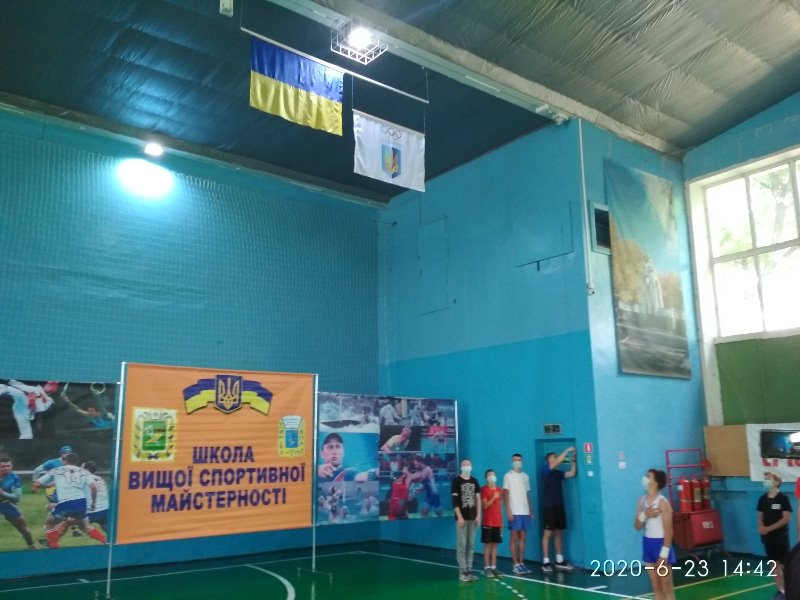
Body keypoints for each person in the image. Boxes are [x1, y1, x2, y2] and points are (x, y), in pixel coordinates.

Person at [32, 452, 106, 548]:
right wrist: (93, 503)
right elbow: (93, 487)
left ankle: (54, 547)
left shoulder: (56, 470)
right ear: (77, 462)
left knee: (50, 523)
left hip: (66, 503)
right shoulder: (84, 472)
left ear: (64, 461)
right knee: (84, 526)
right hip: (81, 503)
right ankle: (105, 541)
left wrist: (47, 486)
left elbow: (37, 484)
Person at [635, 468, 676, 600]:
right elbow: (637, 526)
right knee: (655, 586)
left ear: (655, 483)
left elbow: (669, 531)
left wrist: (663, 555)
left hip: (661, 544)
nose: (645, 478)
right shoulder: (641, 501)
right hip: (648, 544)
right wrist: (645, 514)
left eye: (648, 476)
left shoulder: (663, 503)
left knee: (666, 587)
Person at [541, 447, 577, 572]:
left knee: (558, 533)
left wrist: (573, 461)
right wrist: (567, 451)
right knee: (547, 533)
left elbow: (572, 473)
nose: (556, 458)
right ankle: (546, 562)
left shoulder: (558, 473)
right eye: (554, 457)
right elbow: (556, 463)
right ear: (549, 460)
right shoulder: (545, 470)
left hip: (559, 506)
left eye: (556, 457)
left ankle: (559, 560)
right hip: (549, 506)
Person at [757, 471, 792, 600]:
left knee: (784, 565)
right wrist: (761, 527)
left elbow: (786, 518)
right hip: (768, 538)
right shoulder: (762, 499)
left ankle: (790, 588)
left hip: (780, 537)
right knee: (773, 564)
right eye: (765, 478)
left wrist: (769, 528)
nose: (766, 481)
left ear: (777, 482)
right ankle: (780, 589)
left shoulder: (783, 499)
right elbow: (760, 516)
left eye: (769, 478)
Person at [503, 453, 533, 575]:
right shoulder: (508, 476)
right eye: (515, 460)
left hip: (525, 511)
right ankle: (515, 564)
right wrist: (508, 510)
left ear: (522, 461)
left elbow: (527, 494)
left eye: (519, 460)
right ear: (512, 462)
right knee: (514, 536)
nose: (517, 462)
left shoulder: (525, 476)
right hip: (514, 511)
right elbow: (505, 494)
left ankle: (521, 563)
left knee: (523, 537)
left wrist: (530, 510)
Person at [452, 458, 481, 582]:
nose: (466, 465)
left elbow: (478, 499)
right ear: (461, 467)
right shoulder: (456, 481)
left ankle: (469, 570)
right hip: (462, 519)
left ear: (471, 466)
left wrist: (478, 515)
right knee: (462, 545)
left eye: (468, 464)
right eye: (464, 464)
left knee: (471, 545)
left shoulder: (475, 481)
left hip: (473, 518)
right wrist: (459, 516)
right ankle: (462, 572)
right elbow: (454, 501)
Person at [0, 457, 38, 549]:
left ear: (11, 466)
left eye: (8, 466)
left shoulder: (15, 478)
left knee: (23, 528)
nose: (6, 468)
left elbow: (17, 497)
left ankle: (31, 545)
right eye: (3, 466)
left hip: (7, 503)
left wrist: (3, 493)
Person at [481, 468, 503, 578]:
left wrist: (501, 523)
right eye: (489, 475)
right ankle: (487, 568)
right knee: (487, 546)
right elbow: (485, 506)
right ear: (486, 478)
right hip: (487, 522)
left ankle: (494, 567)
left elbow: (499, 507)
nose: (492, 477)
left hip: (497, 522)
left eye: (493, 475)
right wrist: (494, 497)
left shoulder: (499, 490)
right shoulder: (483, 490)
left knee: (495, 545)